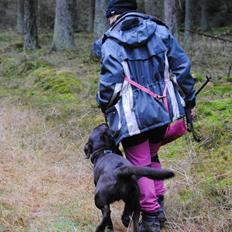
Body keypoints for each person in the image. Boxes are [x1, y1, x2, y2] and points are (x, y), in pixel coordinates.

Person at [95, 0, 196, 231]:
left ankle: (150, 218)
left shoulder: (111, 42)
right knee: (150, 156)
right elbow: (182, 68)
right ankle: (159, 206)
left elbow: (110, 85)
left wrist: (102, 102)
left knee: (139, 163)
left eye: (109, 16)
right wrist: (189, 100)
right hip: (163, 110)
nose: (108, 21)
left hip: (133, 118)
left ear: (114, 14)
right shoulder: (160, 31)